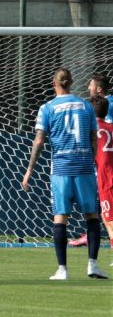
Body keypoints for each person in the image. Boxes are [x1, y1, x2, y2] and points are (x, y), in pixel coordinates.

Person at [22, 68, 108, 280]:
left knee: (60, 217)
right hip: (85, 167)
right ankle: (93, 265)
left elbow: (39, 140)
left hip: (61, 169)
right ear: (71, 83)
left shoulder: (47, 108)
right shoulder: (86, 106)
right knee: (92, 216)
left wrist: (29, 170)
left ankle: (62, 270)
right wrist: (91, 160)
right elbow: (94, 139)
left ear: (54, 83)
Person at [69, 74, 113, 247]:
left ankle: (92, 233)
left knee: (105, 208)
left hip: (105, 163)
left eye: (91, 85)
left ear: (99, 89)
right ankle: (91, 232)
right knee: (100, 205)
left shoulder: (105, 106)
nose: (88, 88)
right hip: (102, 162)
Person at [90, 96, 113, 263]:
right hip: (107, 178)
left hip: (107, 179)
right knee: (106, 217)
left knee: (110, 219)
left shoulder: (92, 130)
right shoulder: (111, 127)